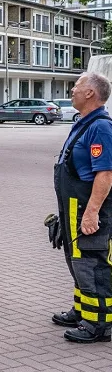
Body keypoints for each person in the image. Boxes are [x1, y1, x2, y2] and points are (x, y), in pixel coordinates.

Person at [51, 72, 112, 343]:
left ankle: (99, 324)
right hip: (73, 205)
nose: (72, 90)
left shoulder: (101, 127)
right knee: (77, 261)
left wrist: (91, 212)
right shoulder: (84, 123)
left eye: (77, 86)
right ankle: (83, 310)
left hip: (86, 207)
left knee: (91, 264)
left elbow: (105, 174)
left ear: (91, 94)